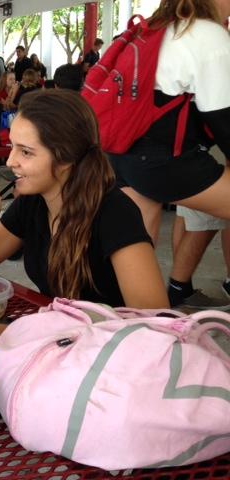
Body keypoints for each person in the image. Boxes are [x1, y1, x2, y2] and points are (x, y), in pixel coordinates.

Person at [0, 89, 168, 340]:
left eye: (26, 152)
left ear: (65, 157)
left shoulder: (114, 213)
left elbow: (154, 326)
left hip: (105, 358)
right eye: (12, 146)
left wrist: (28, 335)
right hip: (60, 338)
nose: (10, 161)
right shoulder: (33, 202)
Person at [106, 0, 230, 301]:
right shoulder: (209, 35)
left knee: (136, 247)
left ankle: (134, 321)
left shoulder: (153, 30)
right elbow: (224, 122)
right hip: (163, 161)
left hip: (121, 153)